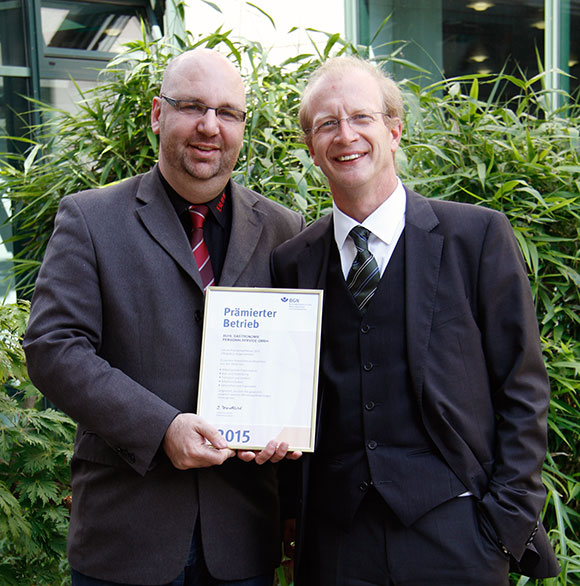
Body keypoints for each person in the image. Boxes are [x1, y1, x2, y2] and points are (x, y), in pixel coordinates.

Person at [271, 55, 560, 585]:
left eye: (361, 117)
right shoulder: (293, 261)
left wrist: (506, 522)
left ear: (394, 129)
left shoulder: (477, 239)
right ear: (311, 148)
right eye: (327, 124)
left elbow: (522, 386)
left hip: (458, 536)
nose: (346, 135)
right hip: (335, 545)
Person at [23, 48, 304, 586]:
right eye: (191, 106)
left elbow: (302, 364)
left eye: (227, 112)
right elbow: (53, 347)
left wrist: (288, 434)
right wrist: (163, 429)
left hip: (242, 539)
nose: (209, 126)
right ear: (157, 114)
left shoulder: (282, 230)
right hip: (127, 538)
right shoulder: (90, 218)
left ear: (243, 126)